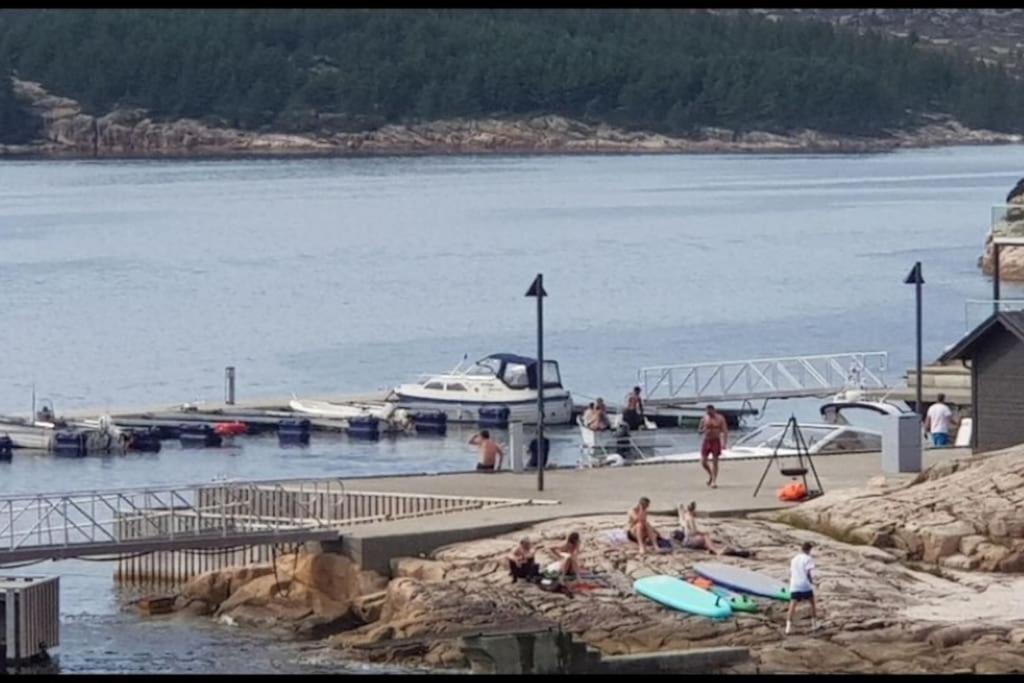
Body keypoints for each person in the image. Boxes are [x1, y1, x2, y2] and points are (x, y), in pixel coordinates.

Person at [785, 541, 819, 635]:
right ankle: (814, 624)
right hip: (804, 584)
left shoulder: (794, 559)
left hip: (794, 584)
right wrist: (811, 582)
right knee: (812, 603)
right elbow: (808, 573)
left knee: (792, 605)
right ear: (809, 550)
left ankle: (788, 627)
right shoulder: (808, 559)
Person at [698, 404, 728, 488]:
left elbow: (725, 431)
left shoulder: (720, 418)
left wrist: (724, 443)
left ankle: (714, 481)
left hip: (716, 440)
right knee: (703, 461)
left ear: (713, 410)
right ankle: (711, 475)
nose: (709, 414)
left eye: (710, 412)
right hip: (707, 440)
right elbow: (699, 430)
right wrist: (702, 430)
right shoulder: (704, 418)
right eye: (707, 412)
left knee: (715, 461)